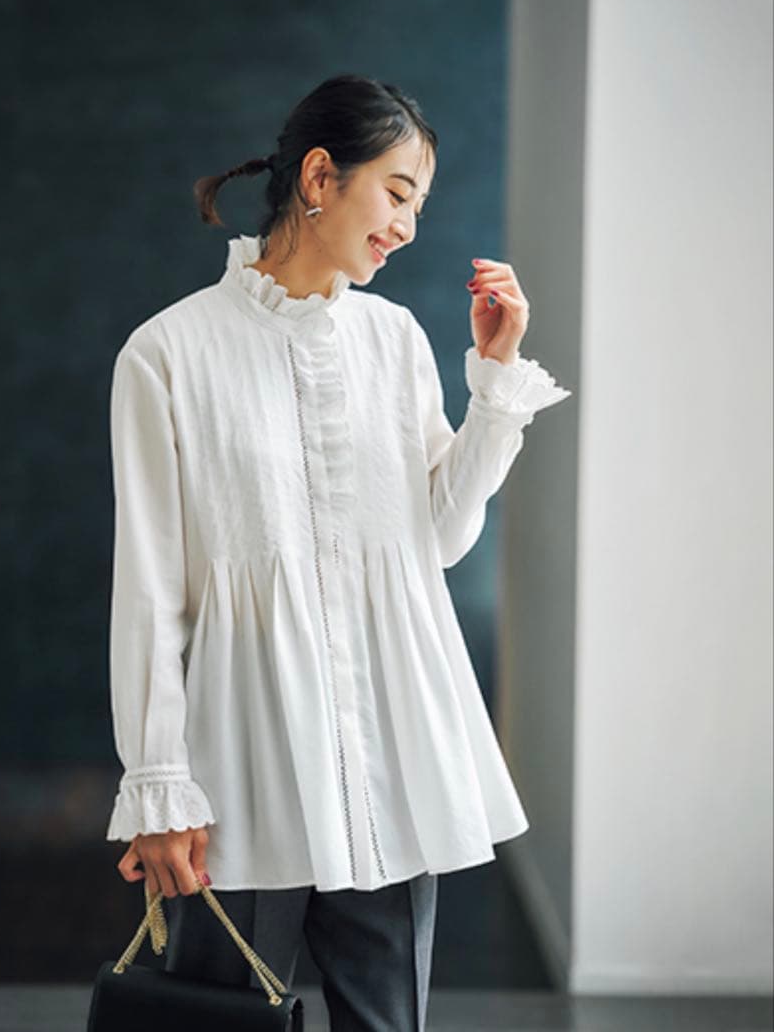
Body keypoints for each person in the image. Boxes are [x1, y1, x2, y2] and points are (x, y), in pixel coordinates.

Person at [104, 73, 572, 1030]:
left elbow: (438, 538)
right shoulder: (166, 354)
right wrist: (158, 785)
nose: (407, 226)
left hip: (387, 754)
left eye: (419, 205)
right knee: (219, 1020)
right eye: (396, 193)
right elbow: (150, 591)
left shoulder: (393, 340)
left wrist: (492, 386)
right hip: (244, 768)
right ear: (320, 177)